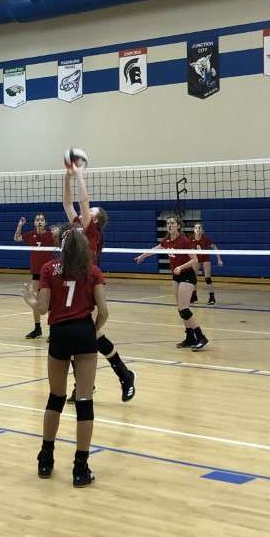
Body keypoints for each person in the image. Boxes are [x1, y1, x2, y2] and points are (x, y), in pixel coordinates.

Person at [22, 226, 108, 487]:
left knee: (55, 397)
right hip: (83, 332)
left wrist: (30, 301)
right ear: (83, 247)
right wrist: (90, 333)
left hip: (58, 334)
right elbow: (103, 311)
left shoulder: (49, 269)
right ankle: (80, 468)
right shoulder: (93, 271)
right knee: (84, 400)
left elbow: (44, 308)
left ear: (62, 245)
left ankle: (45, 458)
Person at [62, 161, 136, 401]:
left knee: (86, 337)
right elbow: (67, 204)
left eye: (92, 211)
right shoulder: (78, 225)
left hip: (88, 286)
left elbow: (83, 203)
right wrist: (67, 178)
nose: (88, 210)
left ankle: (121, 377)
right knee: (87, 337)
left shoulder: (93, 231)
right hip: (71, 284)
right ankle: (120, 376)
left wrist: (80, 175)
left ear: (96, 220)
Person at [135, 216, 210, 350]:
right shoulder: (167, 240)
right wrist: (142, 256)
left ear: (178, 226)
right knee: (180, 309)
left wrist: (181, 267)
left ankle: (201, 337)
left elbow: (195, 260)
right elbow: (156, 248)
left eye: (172, 223)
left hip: (187, 275)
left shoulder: (184, 241)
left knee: (184, 309)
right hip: (176, 276)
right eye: (168, 223)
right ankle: (190, 338)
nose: (169, 225)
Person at [15, 213, 56, 339]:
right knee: (35, 300)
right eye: (37, 220)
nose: (39, 222)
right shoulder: (30, 235)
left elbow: (62, 243)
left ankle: (53, 331)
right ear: (34, 223)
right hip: (36, 273)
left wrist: (57, 233)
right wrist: (20, 225)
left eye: (42, 220)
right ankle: (37, 328)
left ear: (45, 223)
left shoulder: (50, 235)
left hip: (49, 273)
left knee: (50, 302)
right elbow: (17, 238)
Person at [190, 221, 223, 305]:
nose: (198, 229)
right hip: (196, 259)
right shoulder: (190, 239)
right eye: (196, 228)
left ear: (202, 230)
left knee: (207, 278)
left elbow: (214, 247)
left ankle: (212, 297)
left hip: (205, 259)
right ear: (194, 230)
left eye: (199, 228)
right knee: (193, 278)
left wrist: (219, 259)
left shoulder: (206, 239)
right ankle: (194, 296)